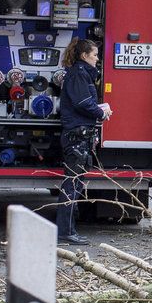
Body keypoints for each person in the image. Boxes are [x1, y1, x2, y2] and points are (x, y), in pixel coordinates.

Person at [56, 38, 112, 245]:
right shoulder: (79, 74)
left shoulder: (80, 74)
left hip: (79, 136)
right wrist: (100, 112)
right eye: (95, 55)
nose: (97, 59)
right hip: (77, 137)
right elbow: (82, 103)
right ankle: (65, 231)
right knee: (72, 183)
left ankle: (68, 230)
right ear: (84, 56)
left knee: (75, 183)